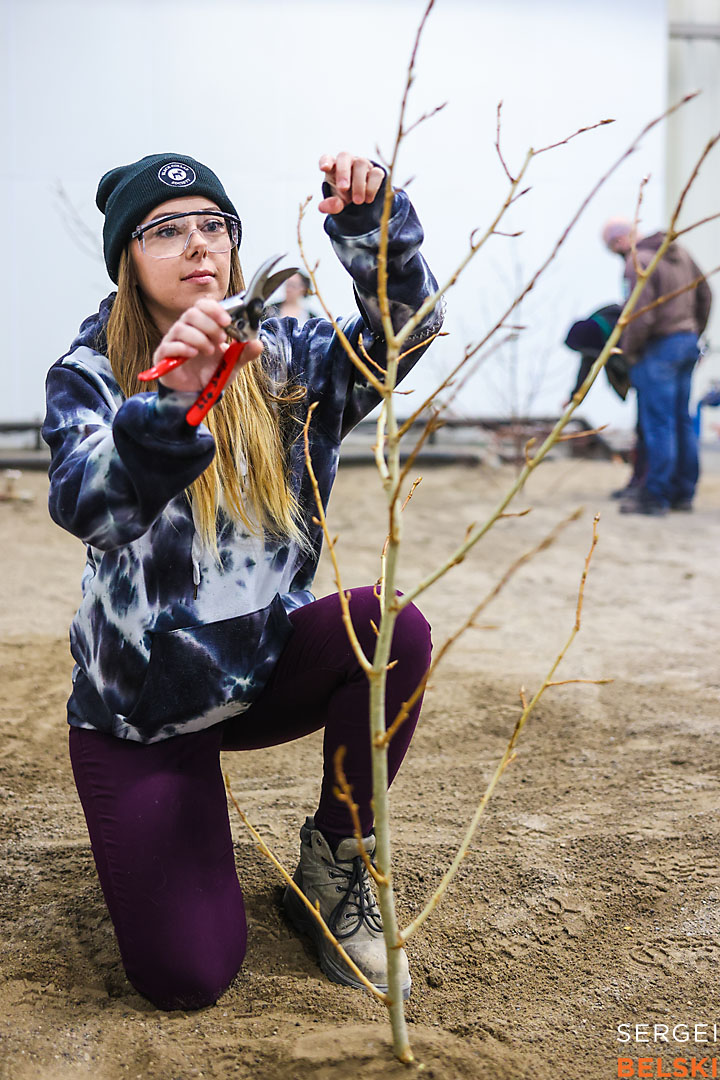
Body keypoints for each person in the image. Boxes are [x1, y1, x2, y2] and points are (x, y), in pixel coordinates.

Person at [42, 151, 443, 1011]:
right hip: (145, 717)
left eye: (212, 225)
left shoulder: (287, 354)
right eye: (165, 230)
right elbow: (91, 508)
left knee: (391, 627)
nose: (197, 245)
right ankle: (181, 819)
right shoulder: (89, 374)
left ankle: (336, 862)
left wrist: (374, 226)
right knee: (188, 978)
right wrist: (172, 402)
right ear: (126, 261)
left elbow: (406, 336)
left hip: (259, 670)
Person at [601, 218, 712, 515]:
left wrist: (631, 352)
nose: (615, 251)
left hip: (657, 348)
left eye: (612, 244)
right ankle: (682, 493)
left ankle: (655, 496)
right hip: (686, 343)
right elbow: (705, 293)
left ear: (623, 239)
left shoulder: (640, 262)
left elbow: (638, 314)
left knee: (658, 424)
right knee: (681, 420)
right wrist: (692, 332)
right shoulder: (680, 253)